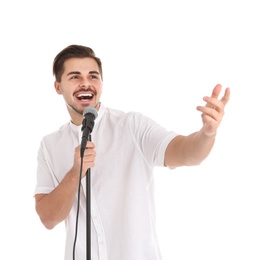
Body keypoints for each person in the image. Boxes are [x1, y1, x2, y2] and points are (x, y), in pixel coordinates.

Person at [34, 44, 230, 260]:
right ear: (58, 86)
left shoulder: (132, 126)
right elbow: (48, 218)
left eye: (93, 76)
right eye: (75, 77)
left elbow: (186, 152)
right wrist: (75, 172)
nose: (86, 83)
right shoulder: (49, 145)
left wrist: (207, 133)